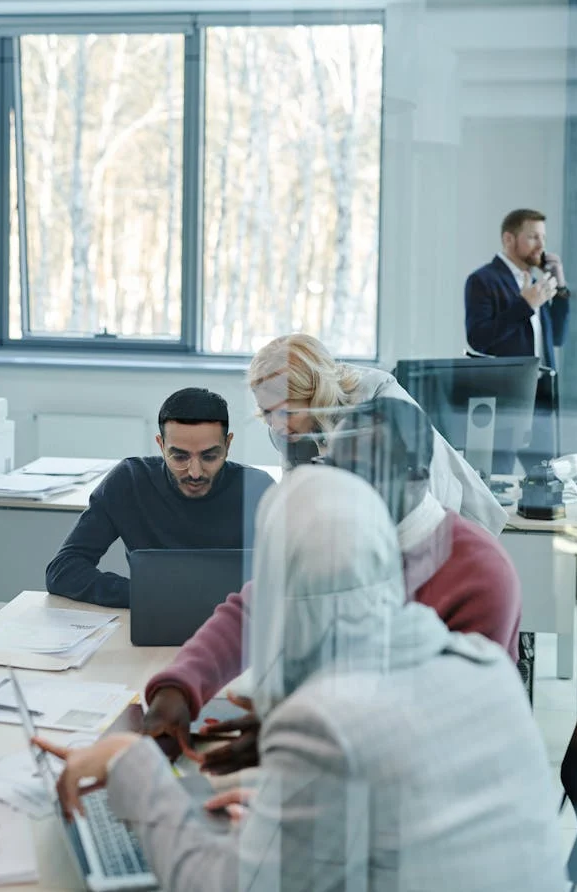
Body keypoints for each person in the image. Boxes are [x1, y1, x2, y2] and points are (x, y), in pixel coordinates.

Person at [34, 468, 565, 892]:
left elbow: (217, 885)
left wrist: (131, 765)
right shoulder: (485, 663)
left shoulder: (326, 723)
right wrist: (294, 825)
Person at [141, 396, 521, 775]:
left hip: (440, 782)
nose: (339, 487)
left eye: (361, 472)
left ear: (418, 478)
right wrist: (179, 688)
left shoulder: (481, 573)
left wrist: (301, 736)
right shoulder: (341, 533)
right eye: (332, 468)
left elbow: (444, 720)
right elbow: (254, 611)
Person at [247, 332, 507, 536]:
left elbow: (421, 498)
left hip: (439, 522)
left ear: (316, 395)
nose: (277, 425)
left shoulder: (378, 399)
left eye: (287, 413)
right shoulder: (285, 430)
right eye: (267, 412)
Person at [45, 388, 274, 607]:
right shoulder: (130, 481)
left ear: (228, 444)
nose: (195, 472)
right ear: (161, 445)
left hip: (237, 627)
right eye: (180, 456)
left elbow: (290, 580)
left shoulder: (258, 489)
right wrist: (146, 595)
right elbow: (64, 570)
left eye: (209, 456)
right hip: (153, 619)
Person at [465, 208, 570, 467]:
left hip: (542, 397)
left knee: (545, 480)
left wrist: (562, 287)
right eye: (533, 237)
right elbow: (478, 338)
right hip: (505, 401)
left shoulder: (538, 283)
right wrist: (525, 305)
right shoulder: (482, 280)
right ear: (509, 239)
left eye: (543, 238)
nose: (541, 245)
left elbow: (557, 336)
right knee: (498, 479)